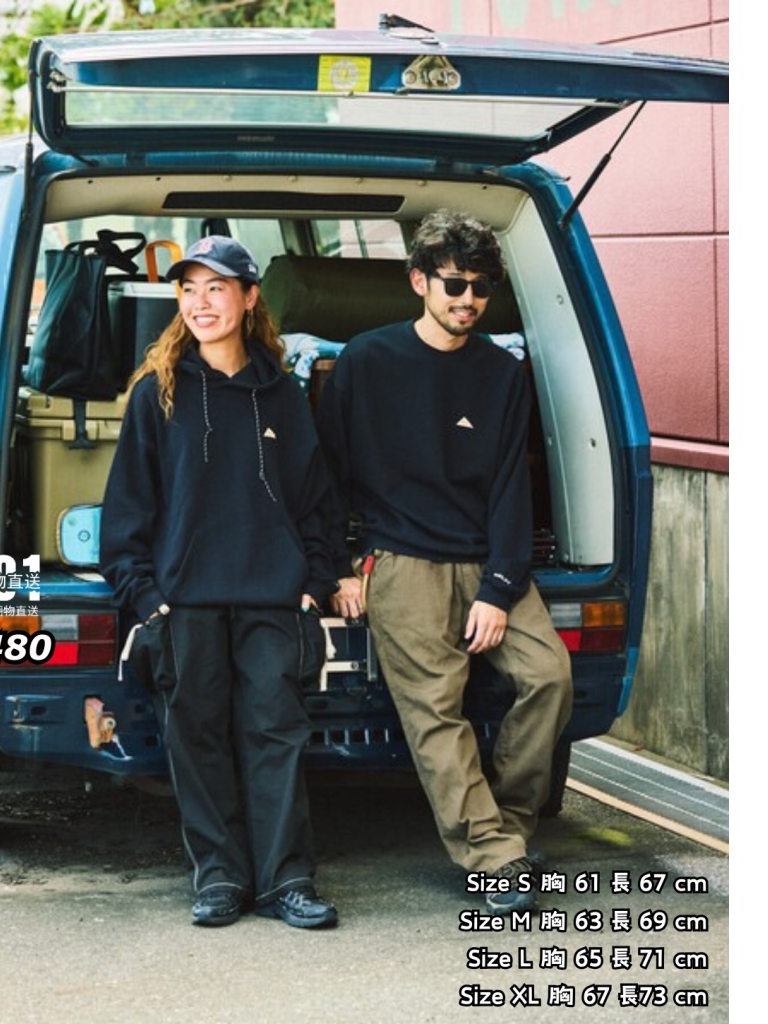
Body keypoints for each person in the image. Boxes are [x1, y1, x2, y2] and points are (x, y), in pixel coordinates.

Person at [315, 210, 573, 916]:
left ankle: (507, 832)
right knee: (437, 710)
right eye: (455, 284)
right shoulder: (365, 361)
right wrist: (337, 566)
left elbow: (510, 488)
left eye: (482, 288)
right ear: (419, 282)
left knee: (550, 677)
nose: (468, 299)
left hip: (485, 562)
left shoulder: (502, 372)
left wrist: (498, 587)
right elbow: (326, 475)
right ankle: (492, 857)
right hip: (402, 563)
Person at [100, 236, 338, 929]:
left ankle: (288, 880)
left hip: (273, 599)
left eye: (216, 288)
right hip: (186, 603)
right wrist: (148, 600)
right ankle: (220, 878)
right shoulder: (158, 394)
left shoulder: (283, 395)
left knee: (276, 738)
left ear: (249, 297)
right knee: (196, 742)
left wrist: (313, 582)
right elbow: (128, 510)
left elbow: (316, 502)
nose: (200, 303)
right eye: (189, 290)